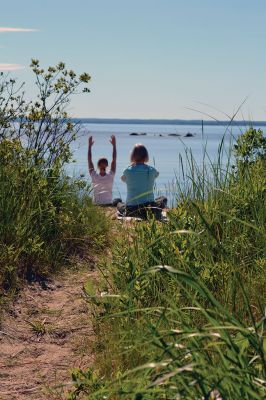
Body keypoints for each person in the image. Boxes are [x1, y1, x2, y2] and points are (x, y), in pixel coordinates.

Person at [118, 143, 167, 219]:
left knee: (119, 204)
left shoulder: (127, 171)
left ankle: (119, 204)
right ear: (146, 156)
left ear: (132, 157)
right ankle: (155, 212)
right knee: (163, 199)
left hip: (132, 209)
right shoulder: (151, 170)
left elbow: (122, 179)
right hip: (149, 208)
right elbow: (157, 174)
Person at [88, 135, 117, 205]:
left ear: (97, 166)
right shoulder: (111, 175)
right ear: (107, 165)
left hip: (96, 204)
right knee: (118, 200)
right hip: (108, 204)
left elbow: (89, 160)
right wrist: (114, 146)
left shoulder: (94, 176)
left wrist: (89, 146)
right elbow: (114, 159)